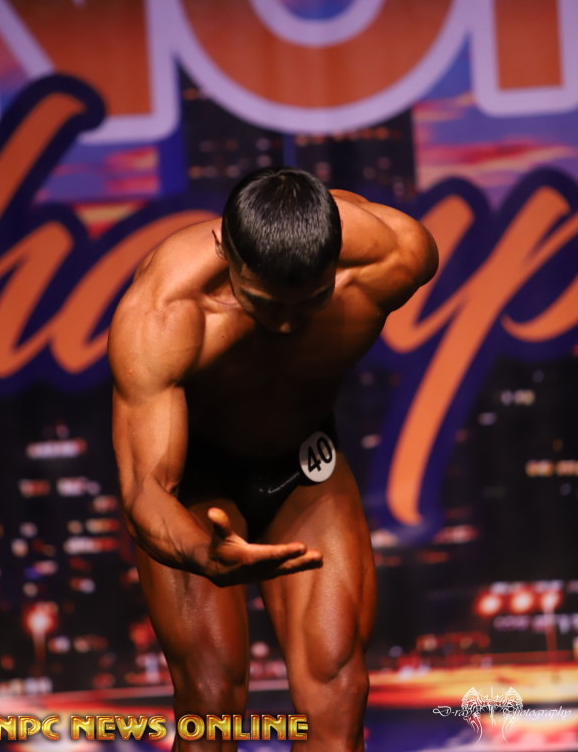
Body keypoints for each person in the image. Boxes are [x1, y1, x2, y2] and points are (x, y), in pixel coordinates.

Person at [108, 167, 438, 751]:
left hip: (304, 469)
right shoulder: (165, 311)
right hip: (197, 487)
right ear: (225, 249)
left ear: (335, 259)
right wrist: (201, 552)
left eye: (311, 301)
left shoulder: (396, 257)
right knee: (211, 704)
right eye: (262, 302)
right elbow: (145, 491)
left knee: (338, 696)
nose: (286, 323)